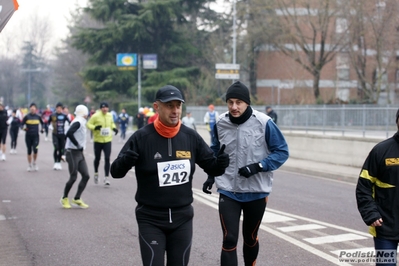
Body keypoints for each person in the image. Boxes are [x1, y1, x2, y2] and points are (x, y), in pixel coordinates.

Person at [110, 85, 230, 266]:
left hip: (182, 218)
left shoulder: (190, 137)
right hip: (150, 218)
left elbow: (212, 167)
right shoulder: (141, 138)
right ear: (157, 107)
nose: (175, 111)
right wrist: (125, 161)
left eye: (178, 106)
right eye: (169, 106)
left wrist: (221, 164)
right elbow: (115, 172)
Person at [202, 81, 289, 266]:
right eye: (230, 102)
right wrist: (211, 174)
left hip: (256, 191)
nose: (234, 107)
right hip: (228, 190)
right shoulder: (220, 122)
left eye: (239, 102)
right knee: (229, 238)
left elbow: (282, 151)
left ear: (247, 103)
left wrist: (258, 166)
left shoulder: (264, 123)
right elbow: (215, 150)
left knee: (250, 237)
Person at [356, 109, 399, 266]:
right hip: (385, 227)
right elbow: (363, 186)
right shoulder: (381, 151)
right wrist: (371, 214)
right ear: (397, 121)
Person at [60, 105, 91, 209]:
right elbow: (68, 133)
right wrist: (77, 144)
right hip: (72, 152)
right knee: (73, 177)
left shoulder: (80, 121)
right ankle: (64, 198)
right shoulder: (78, 121)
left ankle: (77, 198)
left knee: (86, 175)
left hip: (79, 153)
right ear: (84, 113)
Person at [87, 102, 118, 186]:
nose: (105, 109)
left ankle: (106, 177)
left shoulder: (109, 115)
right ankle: (96, 173)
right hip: (98, 140)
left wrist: (114, 128)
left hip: (107, 140)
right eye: (103, 108)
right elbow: (88, 124)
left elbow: (111, 123)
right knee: (97, 158)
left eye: (106, 107)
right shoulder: (95, 116)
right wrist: (94, 127)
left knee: (107, 158)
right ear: (100, 108)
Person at [21, 103, 44, 171]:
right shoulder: (26, 116)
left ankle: (34, 163)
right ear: (30, 109)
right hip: (28, 136)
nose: (32, 109)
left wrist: (42, 129)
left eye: (34, 108)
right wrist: (23, 128)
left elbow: (43, 124)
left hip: (36, 137)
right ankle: (29, 165)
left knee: (35, 150)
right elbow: (21, 125)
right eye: (31, 108)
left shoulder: (38, 116)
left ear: (36, 109)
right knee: (29, 151)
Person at [49, 102, 71, 170]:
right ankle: (55, 162)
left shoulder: (64, 116)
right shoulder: (53, 115)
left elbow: (70, 122)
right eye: (57, 108)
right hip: (55, 134)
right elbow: (47, 123)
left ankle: (59, 163)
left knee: (62, 149)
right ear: (56, 108)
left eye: (60, 108)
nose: (59, 109)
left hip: (62, 135)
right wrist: (45, 128)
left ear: (62, 109)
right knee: (56, 148)